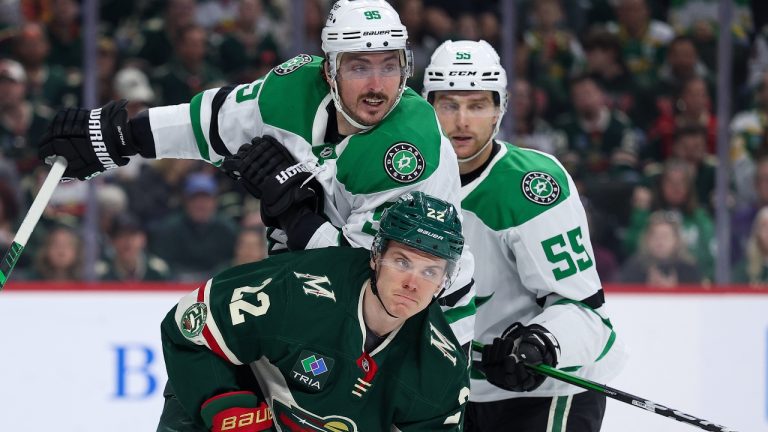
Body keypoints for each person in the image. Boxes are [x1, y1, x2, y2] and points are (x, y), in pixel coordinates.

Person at [38, 0, 474, 346]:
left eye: (389, 66)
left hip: (418, 321)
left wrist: (299, 218)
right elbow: (211, 122)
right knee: (201, 342)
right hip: (319, 290)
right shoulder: (290, 91)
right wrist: (120, 140)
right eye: (360, 66)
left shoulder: (411, 152)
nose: (379, 86)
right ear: (330, 70)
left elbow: (370, 280)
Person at [422, 40, 626, 432]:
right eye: (448, 104)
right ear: (428, 106)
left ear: (499, 109)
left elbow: (586, 313)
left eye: (477, 105)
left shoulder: (531, 186)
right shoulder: (405, 177)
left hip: (549, 388)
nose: (462, 120)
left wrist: (541, 345)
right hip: (455, 391)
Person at [160, 192, 470, 431]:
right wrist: (225, 409)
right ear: (376, 256)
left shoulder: (442, 369)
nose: (412, 284)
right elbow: (189, 324)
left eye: (430, 272)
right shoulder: (296, 290)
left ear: (445, 280)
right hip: (237, 403)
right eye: (402, 262)